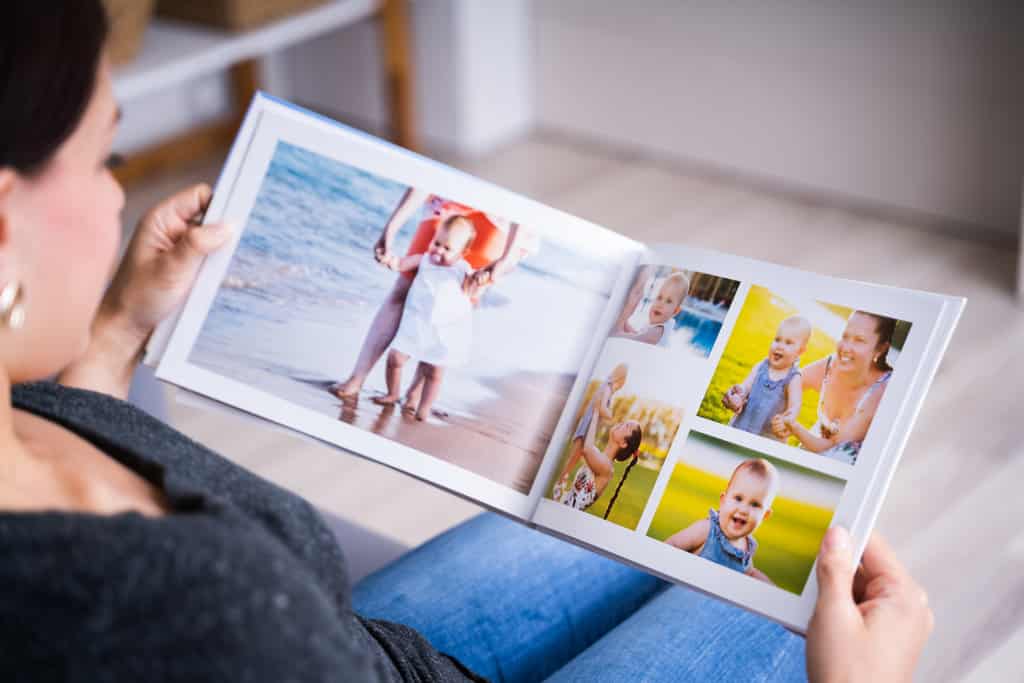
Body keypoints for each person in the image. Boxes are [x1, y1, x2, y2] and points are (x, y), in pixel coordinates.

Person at [0, 3, 933, 680]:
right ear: (5, 217)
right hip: (322, 645)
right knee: (808, 596)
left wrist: (119, 327)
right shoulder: (178, 606)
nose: (119, 195)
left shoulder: (23, 409)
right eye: (105, 158)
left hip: (355, 641)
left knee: (666, 540)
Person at [330, 187, 527, 400]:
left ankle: (416, 391)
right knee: (403, 287)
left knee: (459, 298)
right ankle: (357, 379)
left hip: (504, 216)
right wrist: (390, 230)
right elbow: (421, 181)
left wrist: (506, 258)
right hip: (450, 197)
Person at [372, 214, 477, 420]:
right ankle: (392, 393)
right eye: (437, 243)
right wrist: (388, 260)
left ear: (462, 253)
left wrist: (478, 279)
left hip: (443, 330)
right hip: (416, 324)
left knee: (435, 372)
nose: (439, 250)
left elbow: (471, 289)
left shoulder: (462, 269)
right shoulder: (424, 260)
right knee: (395, 359)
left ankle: (424, 408)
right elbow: (401, 264)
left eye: (447, 249)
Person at [772, 310, 895, 465]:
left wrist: (793, 426)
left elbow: (832, 448)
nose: (846, 347)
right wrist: (742, 393)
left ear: (881, 348)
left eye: (859, 340)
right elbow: (786, 384)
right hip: (816, 444)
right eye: (845, 336)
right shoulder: (831, 366)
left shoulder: (883, 391)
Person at [664, 459, 778, 583]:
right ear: (723, 500)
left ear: (765, 515)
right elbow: (673, 544)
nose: (744, 510)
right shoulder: (707, 530)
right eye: (738, 498)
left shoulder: (746, 548)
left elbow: (749, 573)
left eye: (755, 505)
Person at [724, 315, 810, 440]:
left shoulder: (793, 378)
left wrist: (786, 420)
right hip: (740, 426)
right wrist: (739, 395)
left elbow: (795, 406)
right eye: (777, 339)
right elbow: (746, 387)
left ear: (800, 351)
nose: (779, 346)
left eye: (788, 343)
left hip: (767, 436)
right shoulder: (761, 366)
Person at [552, 364, 629, 503]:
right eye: (624, 380)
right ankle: (560, 484)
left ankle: (563, 484)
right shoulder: (608, 387)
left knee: (575, 457)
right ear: (621, 378)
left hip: (588, 425)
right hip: (587, 426)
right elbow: (602, 409)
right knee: (575, 457)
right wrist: (610, 413)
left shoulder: (607, 387)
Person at [612, 270, 689, 347]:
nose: (660, 304)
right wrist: (625, 324)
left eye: (668, 301)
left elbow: (638, 339)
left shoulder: (659, 330)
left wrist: (616, 334)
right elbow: (637, 335)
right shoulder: (654, 326)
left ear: (675, 311)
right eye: (659, 297)